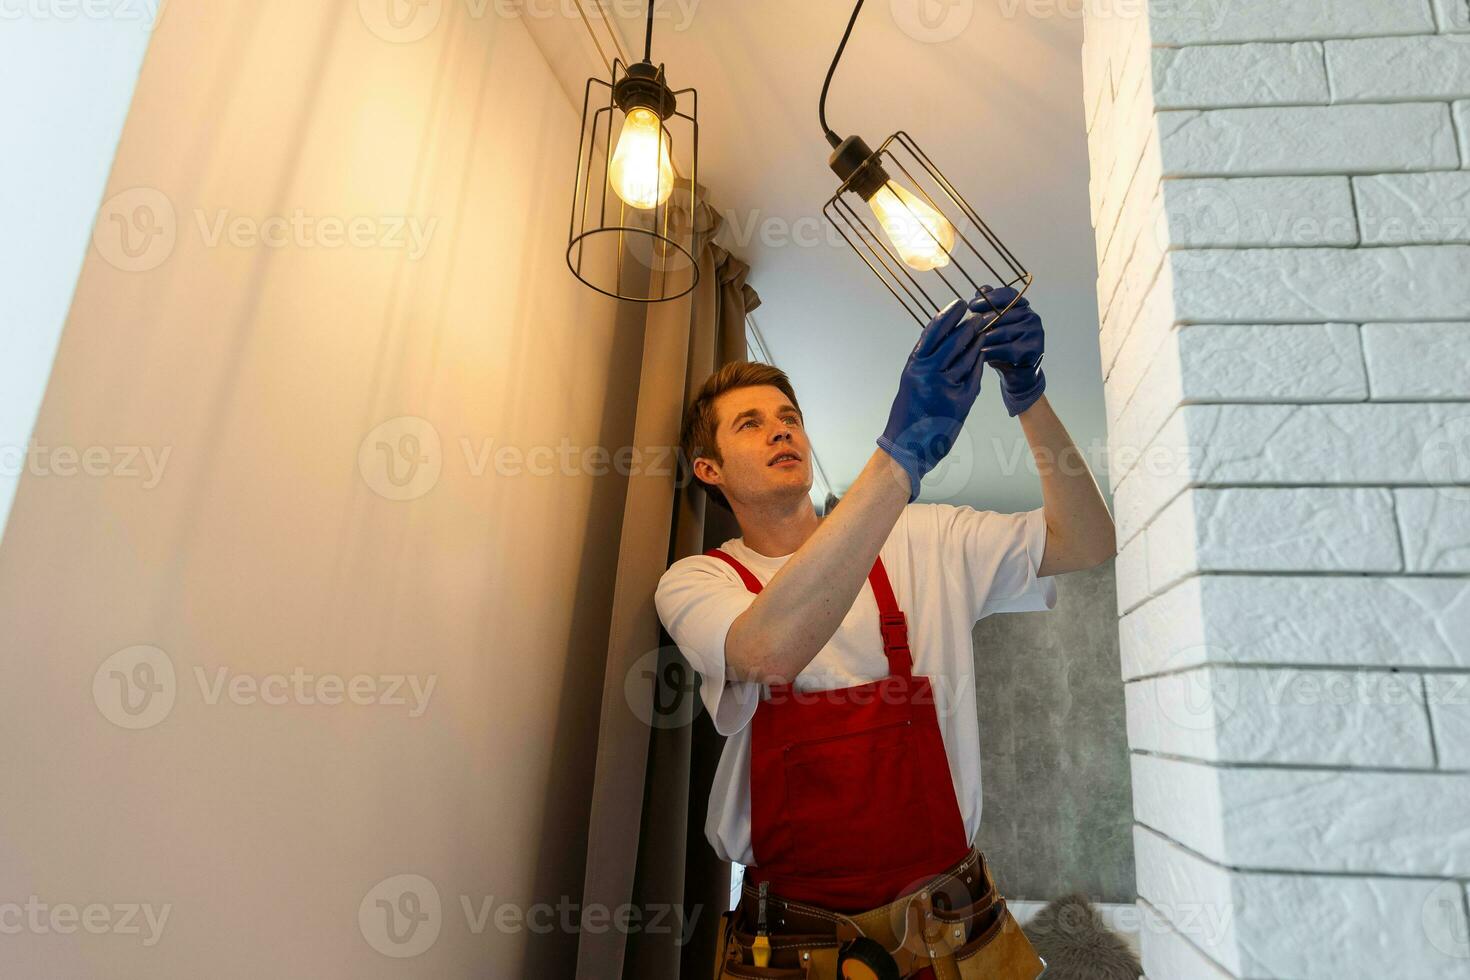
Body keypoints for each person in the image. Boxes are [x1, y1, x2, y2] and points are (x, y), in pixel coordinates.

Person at [654, 286, 1116, 979]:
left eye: (789, 417)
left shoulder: (924, 538)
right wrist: (897, 459)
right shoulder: (696, 583)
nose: (782, 430)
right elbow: (765, 650)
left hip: (956, 932)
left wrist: (1030, 396)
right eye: (750, 423)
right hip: (790, 949)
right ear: (708, 470)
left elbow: (1086, 541)